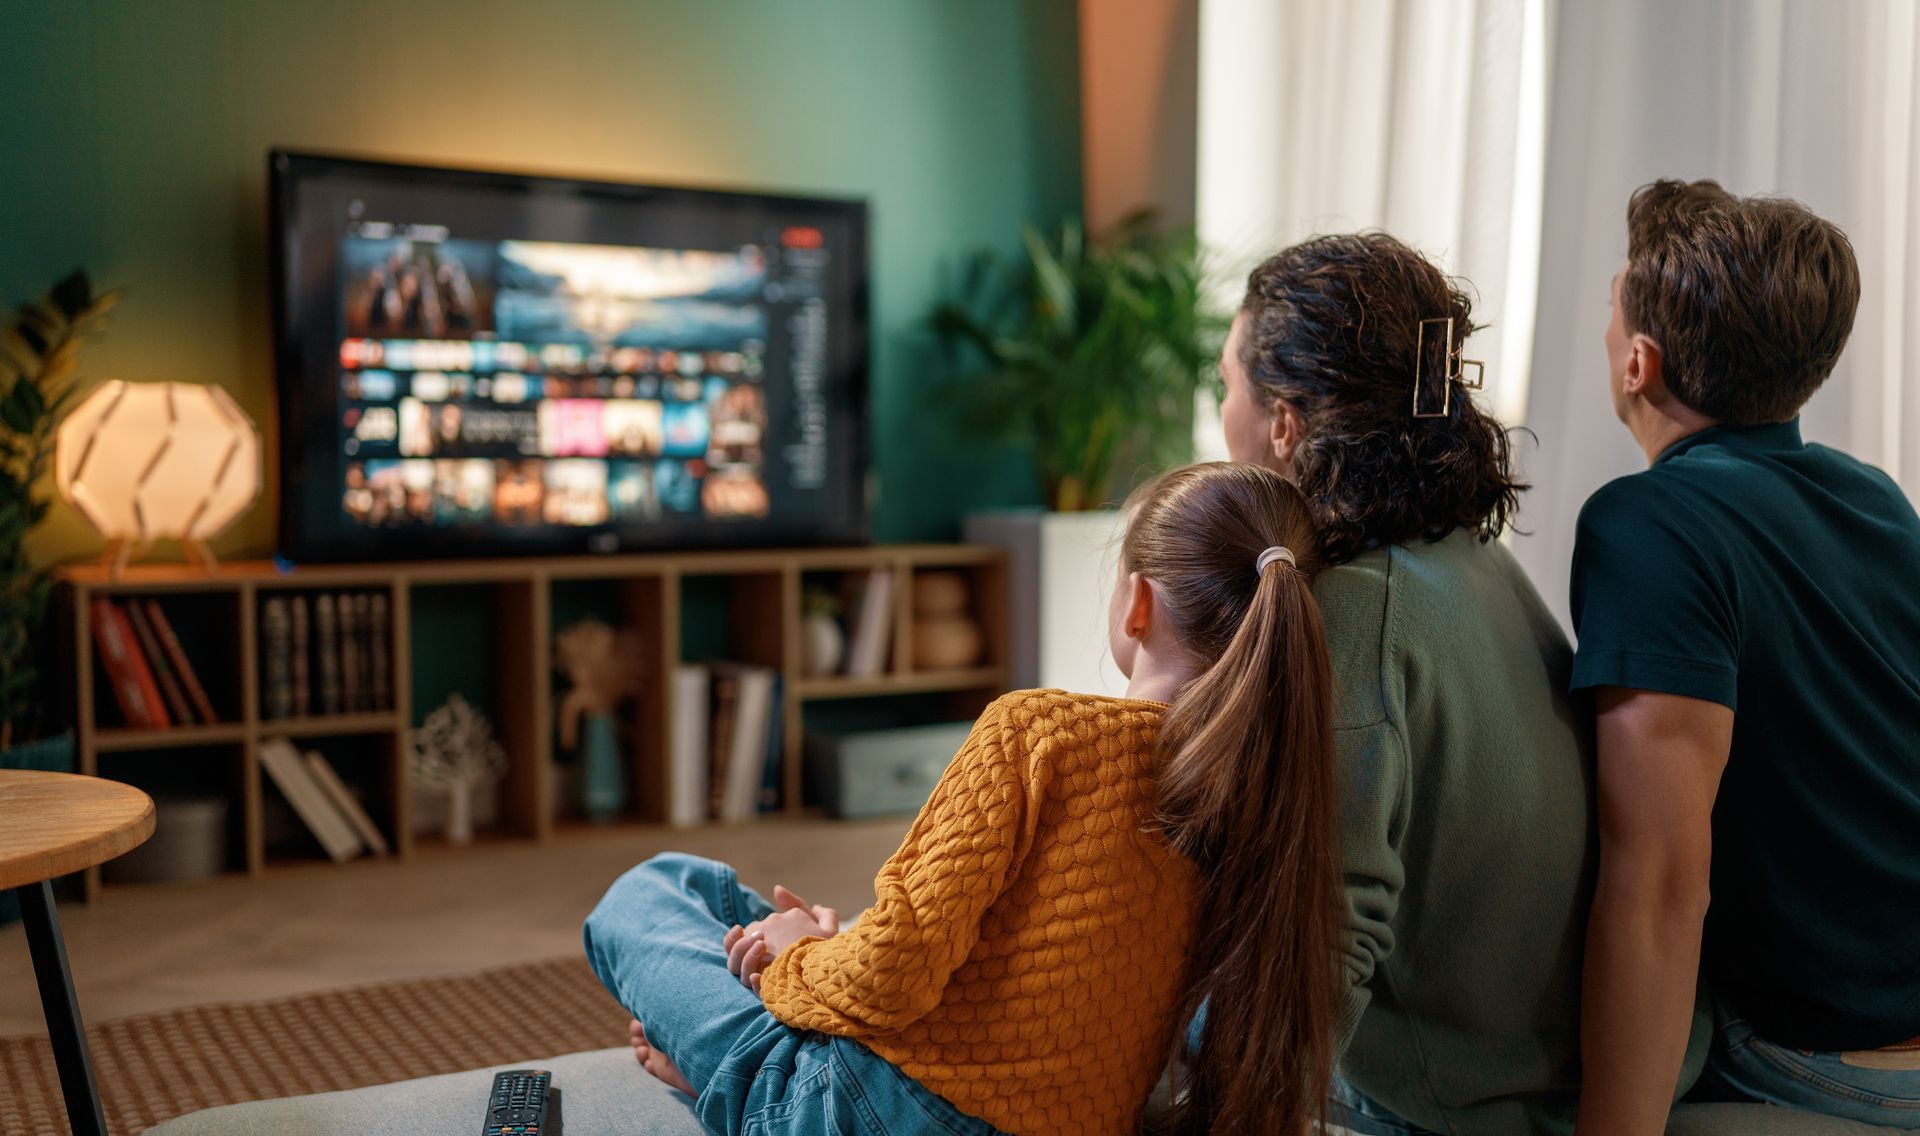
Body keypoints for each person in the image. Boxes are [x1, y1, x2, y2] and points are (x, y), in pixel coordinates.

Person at [584, 462, 1345, 1136]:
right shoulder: (1264, 799)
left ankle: (740, 1081)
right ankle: (743, 1050)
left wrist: (806, 957)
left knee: (658, 891)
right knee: (747, 916)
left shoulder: (1038, 734)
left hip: (864, 1110)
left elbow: (891, 979)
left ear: (1136, 604)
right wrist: (833, 947)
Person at [1217, 233, 1676, 1135]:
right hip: (1542, 1057)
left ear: (1283, 424)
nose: (1219, 412)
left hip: (1468, 1098)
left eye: (1226, 384)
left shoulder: (1355, 614)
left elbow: (1326, 941)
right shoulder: (1464, 557)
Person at [1569, 179, 1920, 1134]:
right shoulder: (1873, 499)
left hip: (1834, 1050)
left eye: (1610, 308)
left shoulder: (1647, 528)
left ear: (1638, 362)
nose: (1605, 330)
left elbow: (1659, 883)